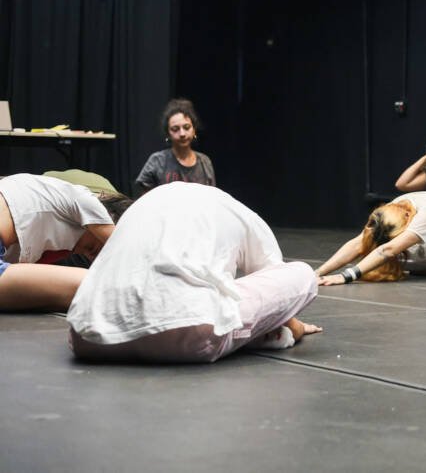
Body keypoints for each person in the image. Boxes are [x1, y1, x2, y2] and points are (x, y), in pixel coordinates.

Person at [67, 183, 321, 363]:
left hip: (87, 339)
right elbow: (274, 286)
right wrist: (294, 325)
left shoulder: (142, 208)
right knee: (301, 274)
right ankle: (269, 336)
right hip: (185, 333)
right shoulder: (241, 213)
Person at [0, 174, 131, 312]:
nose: (95, 256)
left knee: (80, 293)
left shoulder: (47, 245)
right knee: (99, 286)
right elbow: (127, 253)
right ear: (110, 217)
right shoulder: (83, 199)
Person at [316, 192, 426, 284]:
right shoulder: (395, 206)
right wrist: (316, 273)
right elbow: (357, 243)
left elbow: (389, 249)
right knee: (398, 259)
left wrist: (346, 276)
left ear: (407, 216)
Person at [136, 98, 216, 194]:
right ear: (168, 134)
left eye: (187, 127)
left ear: (194, 129)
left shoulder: (204, 162)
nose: (182, 133)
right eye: (175, 129)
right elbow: (143, 198)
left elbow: (212, 198)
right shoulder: (157, 161)